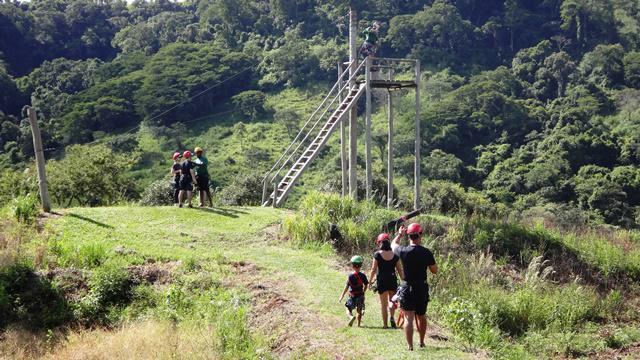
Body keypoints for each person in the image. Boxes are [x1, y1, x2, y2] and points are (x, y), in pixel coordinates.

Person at [391, 223, 438, 351]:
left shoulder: (403, 251)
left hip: (407, 287)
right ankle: (422, 342)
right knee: (421, 315)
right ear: (420, 235)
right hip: (421, 287)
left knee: (408, 317)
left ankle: (410, 346)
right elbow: (435, 270)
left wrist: (399, 234)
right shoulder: (426, 252)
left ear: (409, 236)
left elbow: (393, 244)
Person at [369, 233, 404, 329]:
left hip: (382, 280)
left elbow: (373, 269)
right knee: (392, 301)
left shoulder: (377, 255)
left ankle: (385, 325)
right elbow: (400, 270)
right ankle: (392, 317)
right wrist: (404, 281)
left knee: (384, 305)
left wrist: (370, 281)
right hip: (392, 279)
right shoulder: (395, 255)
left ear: (379, 243)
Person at [338, 255, 369, 327]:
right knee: (359, 310)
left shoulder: (350, 276)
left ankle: (351, 317)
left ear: (352, 266)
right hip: (360, 295)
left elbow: (346, 287)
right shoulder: (363, 275)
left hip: (352, 296)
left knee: (348, 308)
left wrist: (341, 296)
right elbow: (366, 285)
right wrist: (363, 292)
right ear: (361, 265)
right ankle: (358, 325)